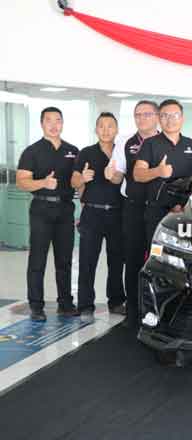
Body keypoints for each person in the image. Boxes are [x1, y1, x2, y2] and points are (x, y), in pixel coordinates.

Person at [16, 107, 79, 321]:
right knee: (37, 259)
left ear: (63, 123)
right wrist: (43, 182)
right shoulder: (32, 151)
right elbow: (21, 182)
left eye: (58, 120)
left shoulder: (73, 151)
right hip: (41, 210)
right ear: (42, 123)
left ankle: (65, 303)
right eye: (49, 120)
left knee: (64, 260)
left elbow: (77, 181)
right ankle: (36, 305)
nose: (54, 124)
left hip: (65, 209)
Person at [109, 100, 159, 328]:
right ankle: (133, 310)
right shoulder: (125, 143)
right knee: (133, 259)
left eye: (147, 114)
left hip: (161, 209)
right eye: (138, 115)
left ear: (156, 116)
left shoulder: (167, 141)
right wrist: (111, 174)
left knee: (160, 262)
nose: (142, 118)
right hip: (134, 208)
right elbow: (118, 175)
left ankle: (158, 310)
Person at [71, 112, 125, 323]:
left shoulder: (122, 153)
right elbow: (74, 181)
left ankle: (116, 301)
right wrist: (81, 178)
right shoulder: (86, 153)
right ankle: (85, 304)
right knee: (87, 261)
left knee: (116, 261)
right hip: (92, 213)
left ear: (116, 129)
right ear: (96, 129)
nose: (105, 130)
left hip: (117, 214)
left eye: (110, 126)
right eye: (101, 126)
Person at [134, 99, 192, 243]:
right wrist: (158, 171)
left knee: (184, 256)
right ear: (159, 119)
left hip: (185, 213)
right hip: (157, 213)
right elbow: (137, 174)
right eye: (165, 116)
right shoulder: (150, 144)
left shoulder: (191, 144)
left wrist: (188, 205)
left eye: (175, 115)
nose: (170, 120)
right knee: (157, 254)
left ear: (182, 118)